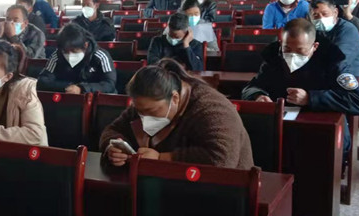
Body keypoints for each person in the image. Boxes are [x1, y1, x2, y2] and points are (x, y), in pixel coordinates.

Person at [241, 19, 359, 155]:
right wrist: (258, 95)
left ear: (315, 46)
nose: (293, 56)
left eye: (301, 51)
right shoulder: (274, 57)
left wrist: (310, 98)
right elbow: (251, 87)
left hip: (321, 131)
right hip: (280, 128)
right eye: (287, 49)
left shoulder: (333, 60)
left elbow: (358, 101)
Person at [101, 59, 253, 169]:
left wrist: (162, 158)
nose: (143, 118)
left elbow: (222, 159)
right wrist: (114, 147)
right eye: (139, 111)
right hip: (166, 182)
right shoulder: (145, 102)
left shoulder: (212, 108)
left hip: (223, 189)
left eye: (152, 112)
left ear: (175, 98)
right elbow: (112, 130)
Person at [37, 24, 116, 94]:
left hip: (94, 99)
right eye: (66, 52)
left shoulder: (100, 56)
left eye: (74, 51)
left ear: (85, 45)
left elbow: (109, 84)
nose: (69, 55)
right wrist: (67, 86)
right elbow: (43, 80)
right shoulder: (57, 55)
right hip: (67, 99)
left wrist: (82, 88)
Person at [310, 0, 359, 79]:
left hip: (347, 76)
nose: (321, 18)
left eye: (325, 14)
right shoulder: (315, 30)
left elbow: (339, 61)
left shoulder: (348, 30)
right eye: (315, 15)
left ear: (335, 12)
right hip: (322, 73)